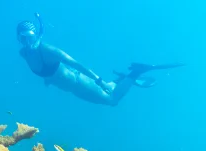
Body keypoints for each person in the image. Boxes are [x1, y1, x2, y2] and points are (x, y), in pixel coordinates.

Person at [16, 13, 183, 106]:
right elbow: (46, 71)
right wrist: (48, 80)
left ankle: (135, 73)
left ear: (35, 35)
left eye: (29, 37)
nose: (27, 42)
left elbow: (76, 64)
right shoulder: (24, 54)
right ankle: (120, 80)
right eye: (23, 39)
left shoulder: (47, 50)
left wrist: (99, 80)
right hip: (73, 89)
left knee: (113, 101)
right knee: (111, 94)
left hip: (79, 81)